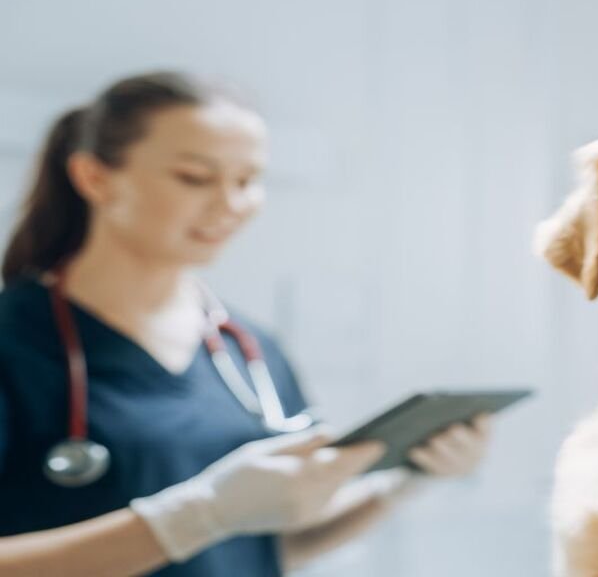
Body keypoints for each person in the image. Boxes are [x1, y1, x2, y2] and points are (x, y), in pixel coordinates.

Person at [0, 71, 492, 577]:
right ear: (94, 178)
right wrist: (198, 516)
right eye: (194, 177)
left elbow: (265, 549)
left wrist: (403, 484)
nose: (230, 204)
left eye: (247, 180)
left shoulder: (250, 349)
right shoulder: (14, 339)